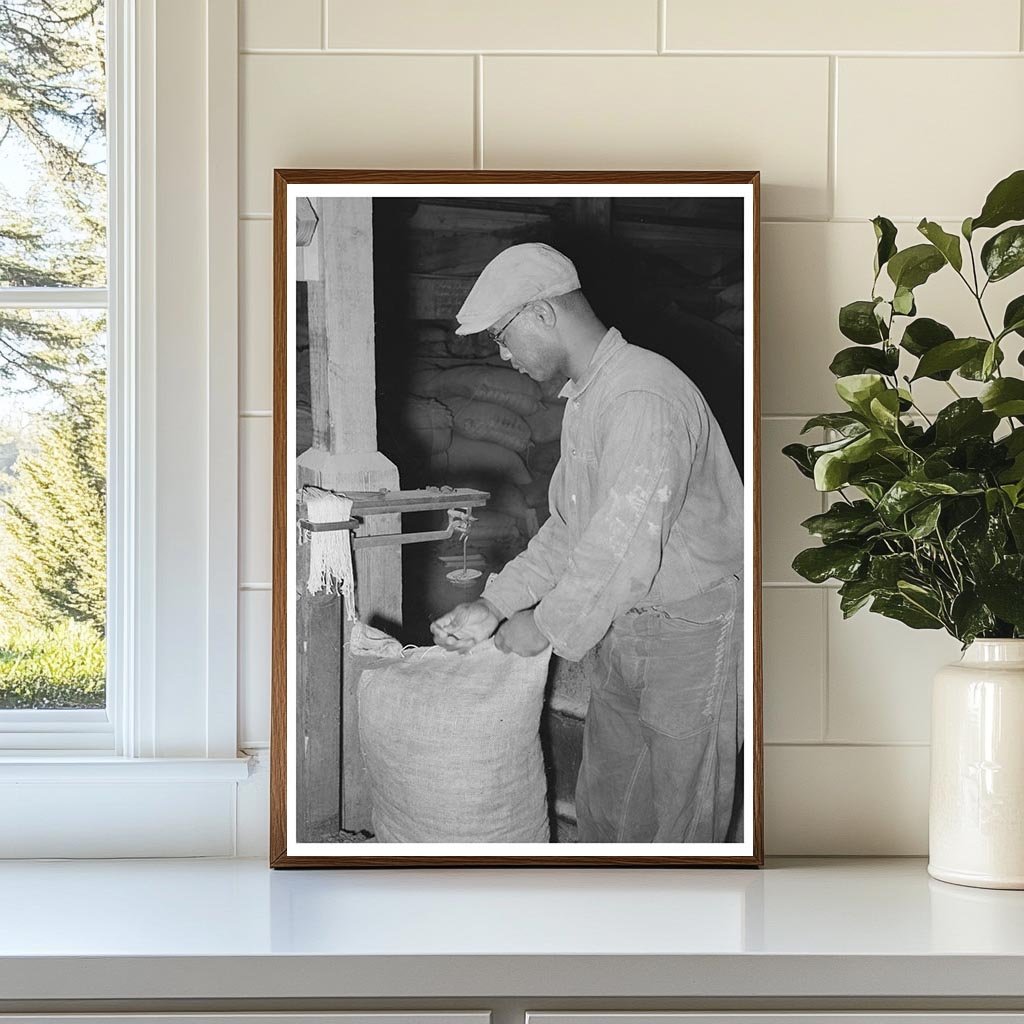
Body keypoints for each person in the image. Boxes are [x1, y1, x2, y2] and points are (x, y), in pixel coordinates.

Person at [429, 242, 745, 844]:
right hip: (625, 623)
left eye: (502, 335)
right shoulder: (590, 396)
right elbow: (573, 529)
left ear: (543, 314)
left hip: (688, 630)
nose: (503, 355)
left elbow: (619, 549)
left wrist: (543, 626)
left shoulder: (639, 397)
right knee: (609, 802)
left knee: (680, 814)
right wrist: (496, 603)